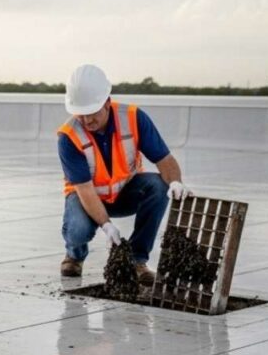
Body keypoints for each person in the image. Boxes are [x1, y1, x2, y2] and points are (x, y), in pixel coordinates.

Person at [57, 64, 190, 283]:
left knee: (159, 186)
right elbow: (85, 190)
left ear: (107, 103)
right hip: (86, 199)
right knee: (79, 230)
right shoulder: (68, 137)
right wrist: (106, 225)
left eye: (91, 114)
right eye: (80, 115)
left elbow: (164, 160)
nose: (86, 121)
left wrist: (175, 182)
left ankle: (137, 261)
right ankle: (74, 255)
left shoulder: (133, 118)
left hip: (125, 192)